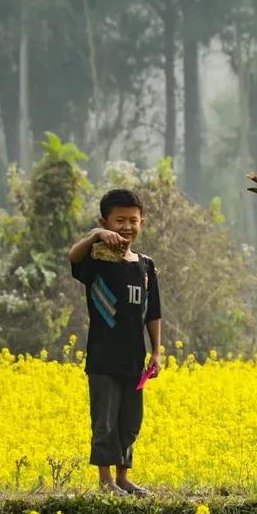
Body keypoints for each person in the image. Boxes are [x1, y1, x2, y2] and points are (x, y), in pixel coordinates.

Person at [68, 188, 162, 496]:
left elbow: (153, 312)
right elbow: (73, 257)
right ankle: (105, 481)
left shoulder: (146, 266)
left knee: (130, 421)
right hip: (103, 358)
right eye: (119, 220)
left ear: (141, 223)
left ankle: (123, 478)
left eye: (133, 220)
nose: (127, 227)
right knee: (105, 421)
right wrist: (96, 236)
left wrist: (156, 352)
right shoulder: (97, 259)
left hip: (135, 360)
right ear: (104, 222)